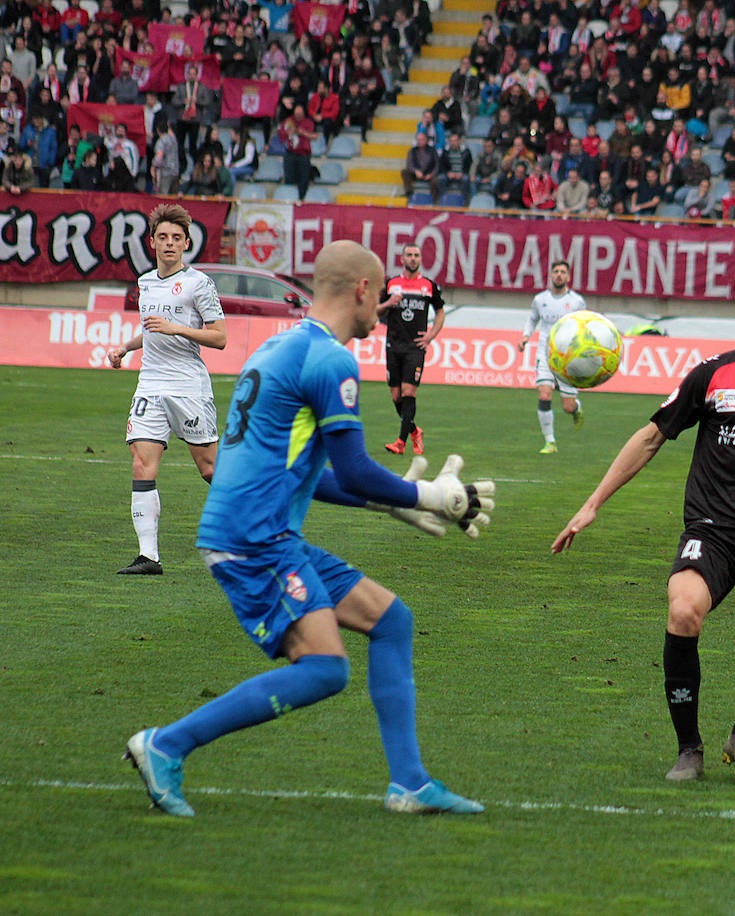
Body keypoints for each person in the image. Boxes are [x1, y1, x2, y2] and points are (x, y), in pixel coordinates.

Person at [123, 239, 496, 818]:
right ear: (363, 291)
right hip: (253, 541)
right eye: (385, 297)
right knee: (325, 669)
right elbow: (351, 468)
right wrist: (428, 494)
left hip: (263, 530)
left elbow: (299, 470)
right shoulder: (331, 360)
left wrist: (387, 505)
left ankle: (411, 784)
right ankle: (166, 744)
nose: (388, 307)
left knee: (392, 620)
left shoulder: (281, 348)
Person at [552, 267, 735, 782]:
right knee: (684, 609)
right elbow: (650, 438)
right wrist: (593, 503)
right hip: (713, 532)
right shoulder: (713, 374)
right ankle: (689, 748)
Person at [106, 204, 227, 575]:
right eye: (163, 237)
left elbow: (220, 337)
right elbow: (151, 328)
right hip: (150, 383)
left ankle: (259, 519)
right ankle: (149, 556)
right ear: (153, 242)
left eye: (177, 238)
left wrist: (179, 328)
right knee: (142, 463)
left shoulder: (199, 283)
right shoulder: (144, 283)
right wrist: (125, 347)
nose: (170, 243)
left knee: (210, 470)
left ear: (187, 243)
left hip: (188, 386)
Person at [378, 243, 445, 456]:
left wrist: (431, 335)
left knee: (408, 392)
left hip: (415, 347)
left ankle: (401, 442)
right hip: (393, 345)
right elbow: (376, 310)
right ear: (402, 259)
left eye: (416, 255)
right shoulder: (390, 284)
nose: (413, 258)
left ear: (420, 259)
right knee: (396, 396)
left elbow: (441, 311)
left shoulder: (428, 285)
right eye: (409, 255)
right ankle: (415, 431)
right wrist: (389, 302)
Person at [518, 260, 587, 454]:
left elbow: (584, 325)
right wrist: (525, 337)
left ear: (568, 276)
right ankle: (550, 442)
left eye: (563, 272)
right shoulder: (540, 300)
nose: (559, 275)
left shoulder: (577, 302)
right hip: (545, 354)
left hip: (569, 358)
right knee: (544, 394)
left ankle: (576, 408)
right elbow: (532, 320)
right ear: (551, 275)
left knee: (567, 406)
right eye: (556, 271)